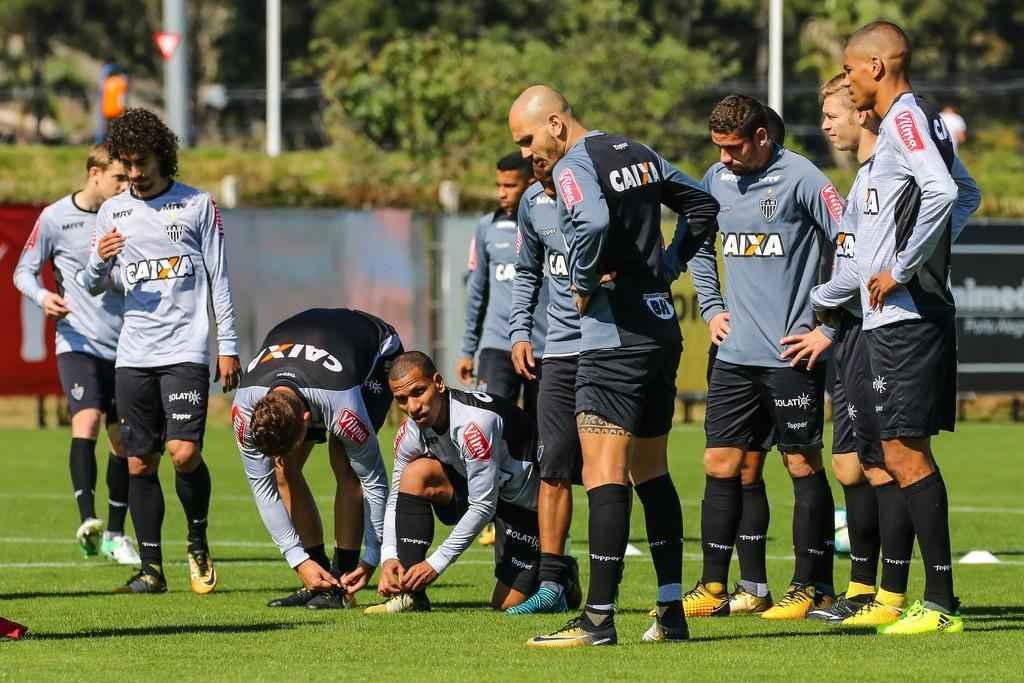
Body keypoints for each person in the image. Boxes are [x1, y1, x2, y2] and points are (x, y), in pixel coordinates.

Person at [509, 85, 720, 647]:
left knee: (603, 474)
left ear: (556, 123)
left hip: (613, 337)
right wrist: (668, 266)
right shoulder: (639, 152)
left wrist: (580, 284)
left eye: (528, 139)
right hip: (659, 332)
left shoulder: (577, 163)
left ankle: (598, 619)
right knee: (652, 474)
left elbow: (594, 224)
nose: (526, 152)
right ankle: (671, 612)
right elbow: (703, 204)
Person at [811, 21, 982, 634]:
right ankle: (920, 599)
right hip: (896, 316)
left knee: (906, 456)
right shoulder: (909, 127)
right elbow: (968, 195)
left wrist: (903, 265)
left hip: (907, 317)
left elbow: (942, 191)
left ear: (877, 67)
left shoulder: (907, 118)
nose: (848, 81)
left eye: (852, 69)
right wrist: (928, 257)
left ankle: (939, 605)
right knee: (896, 452)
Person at [684, 94, 844, 621]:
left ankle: (812, 586)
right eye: (719, 149)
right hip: (733, 354)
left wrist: (828, 326)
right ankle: (714, 586)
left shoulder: (804, 179)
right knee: (721, 463)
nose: (725, 159)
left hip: (790, 355)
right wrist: (711, 306)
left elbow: (853, 243)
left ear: (761, 137)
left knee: (800, 463)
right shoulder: (714, 180)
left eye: (733, 148)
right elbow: (698, 244)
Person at [80, 108, 240, 594]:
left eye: (142, 161)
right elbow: (95, 287)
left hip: (184, 349)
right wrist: (97, 262)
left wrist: (228, 346)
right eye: (125, 164)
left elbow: (220, 280)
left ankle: (197, 540)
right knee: (138, 462)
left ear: (162, 155)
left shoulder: (196, 205)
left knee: (184, 451)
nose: (133, 173)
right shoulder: (113, 211)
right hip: (133, 354)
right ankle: (151, 570)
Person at [13, 143, 139, 565]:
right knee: (85, 419)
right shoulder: (55, 218)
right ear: (94, 174)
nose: (126, 185)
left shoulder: (131, 216)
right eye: (119, 177)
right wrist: (43, 295)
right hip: (77, 341)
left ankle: (117, 536)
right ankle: (89, 522)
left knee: (121, 440)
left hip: (126, 344)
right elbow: (22, 271)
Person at [231, 308, 401, 609]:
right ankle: (321, 579)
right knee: (283, 470)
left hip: (373, 350)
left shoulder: (341, 405)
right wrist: (300, 562)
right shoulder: (246, 407)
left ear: (308, 420)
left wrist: (374, 556)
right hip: (306, 346)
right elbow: (263, 488)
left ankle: (343, 581)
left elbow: (373, 481)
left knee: (347, 463)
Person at [371, 352, 542, 614]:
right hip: (475, 488)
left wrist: (436, 564)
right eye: (402, 399)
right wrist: (389, 556)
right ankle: (411, 594)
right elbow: (397, 495)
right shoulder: (410, 431)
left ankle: (562, 574)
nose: (413, 406)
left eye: (418, 392)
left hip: (522, 501)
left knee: (506, 604)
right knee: (415, 474)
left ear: (438, 383)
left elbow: (483, 506)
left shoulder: (473, 425)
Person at [506, 167, 582, 615]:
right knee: (551, 464)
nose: (537, 170)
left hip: (609, 350)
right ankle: (552, 583)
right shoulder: (532, 201)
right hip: (558, 353)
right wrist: (520, 331)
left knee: (613, 472)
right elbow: (527, 271)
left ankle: (613, 586)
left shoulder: (597, 190)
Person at [457, 152, 547, 414]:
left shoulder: (553, 223)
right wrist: (467, 349)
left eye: (510, 186)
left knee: (544, 437)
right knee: (489, 424)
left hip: (544, 349)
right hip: (497, 345)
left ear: (531, 184)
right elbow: (477, 291)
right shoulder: (487, 227)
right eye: (498, 186)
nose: (501, 193)